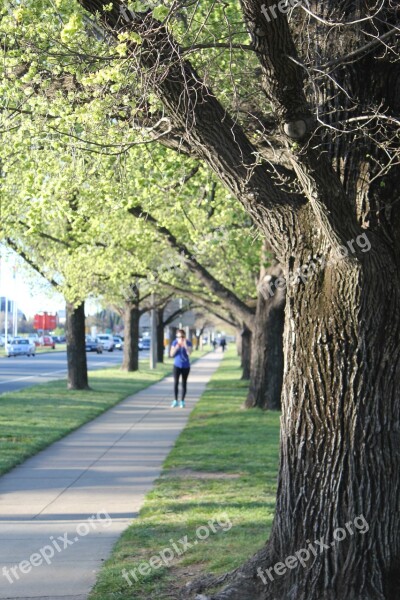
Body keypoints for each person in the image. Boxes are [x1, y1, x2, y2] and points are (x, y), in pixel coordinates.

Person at [170, 329, 192, 408]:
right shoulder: (175, 343)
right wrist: (177, 347)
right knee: (176, 383)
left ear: (184, 336)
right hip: (177, 365)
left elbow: (189, 353)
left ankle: (182, 401)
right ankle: (175, 400)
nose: (181, 338)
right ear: (177, 337)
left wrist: (185, 345)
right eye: (179, 337)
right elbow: (171, 354)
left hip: (186, 366)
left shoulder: (188, 342)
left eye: (182, 336)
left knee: (184, 383)